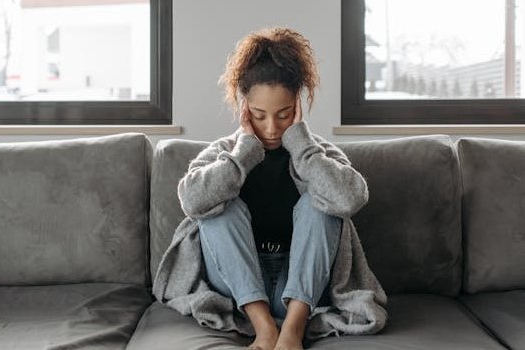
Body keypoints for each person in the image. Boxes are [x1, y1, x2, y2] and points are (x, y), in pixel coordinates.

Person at [152, 27, 387, 350]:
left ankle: (291, 330)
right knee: (219, 207)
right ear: (244, 106)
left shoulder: (316, 153)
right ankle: (264, 329)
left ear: (298, 107)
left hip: (301, 285)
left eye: (284, 115)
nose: (272, 128)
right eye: (260, 116)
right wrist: (242, 156)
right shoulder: (226, 151)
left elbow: (349, 199)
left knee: (320, 205)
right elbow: (192, 201)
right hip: (239, 288)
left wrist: (302, 146)